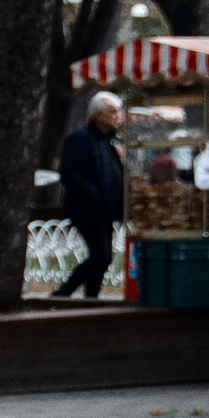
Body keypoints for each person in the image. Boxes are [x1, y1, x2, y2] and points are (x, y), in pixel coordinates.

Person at [55, 92, 127, 299]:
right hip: (87, 208)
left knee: (104, 258)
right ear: (98, 115)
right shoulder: (80, 139)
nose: (117, 116)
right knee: (100, 256)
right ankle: (64, 292)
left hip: (106, 208)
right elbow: (68, 172)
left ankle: (91, 296)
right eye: (112, 112)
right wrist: (91, 192)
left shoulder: (108, 142)